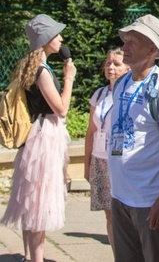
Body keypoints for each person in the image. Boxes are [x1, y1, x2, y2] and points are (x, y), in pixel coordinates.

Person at [108, 15, 159, 262]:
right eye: (125, 40)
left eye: (133, 41)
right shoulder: (122, 83)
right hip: (120, 197)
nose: (125, 47)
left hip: (149, 201)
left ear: (152, 49)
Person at [1, 14, 76, 262]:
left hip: (38, 134)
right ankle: (37, 258)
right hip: (46, 138)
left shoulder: (31, 66)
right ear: (46, 39)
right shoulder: (42, 71)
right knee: (40, 202)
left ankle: (27, 255)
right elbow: (62, 108)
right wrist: (68, 78)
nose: (61, 38)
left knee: (32, 199)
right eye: (56, 35)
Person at [84, 47, 130, 250]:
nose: (110, 67)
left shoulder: (130, 94)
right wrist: (87, 165)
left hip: (120, 161)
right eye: (108, 63)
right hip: (100, 158)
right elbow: (91, 131)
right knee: (109, 213)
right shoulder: (100, 94)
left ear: (128, 68)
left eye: (116, 64)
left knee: (125, 213)